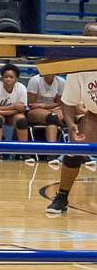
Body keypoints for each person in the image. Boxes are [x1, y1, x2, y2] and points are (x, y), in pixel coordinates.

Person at [47, 24, 97, 216]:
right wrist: (71, 124)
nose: (90, 43)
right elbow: (68, 102)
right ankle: (62, 197)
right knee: (75, 149)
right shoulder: (78, 67)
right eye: (87, 39)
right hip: (93, 115)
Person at [24, 69, 64, 154]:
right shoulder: (35, 80)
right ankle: (51, 151)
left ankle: (78, 153)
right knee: (52, 117)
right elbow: (31, 104)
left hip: (52, 109)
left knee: (62, 116)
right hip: (34, 110)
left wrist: (43, 105)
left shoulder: (61, 81)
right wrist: (48, 107)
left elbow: (60, 103)